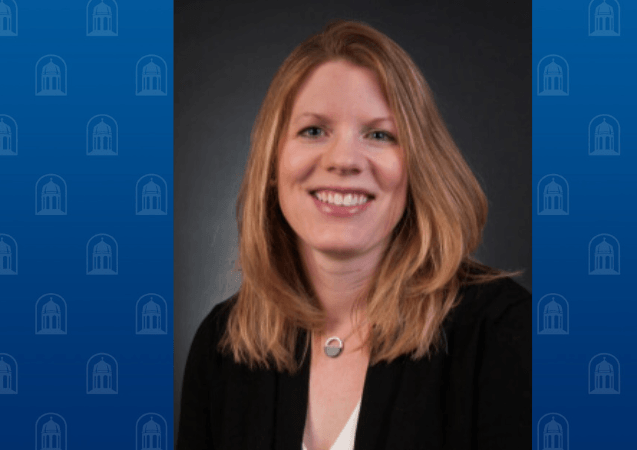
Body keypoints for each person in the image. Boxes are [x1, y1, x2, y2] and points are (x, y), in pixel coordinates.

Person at [177, 19, 531, 450]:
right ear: (273, 162)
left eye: (379, 134)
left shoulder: (505, 332)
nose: (344, 159)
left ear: (417, 167)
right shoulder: (221, 346)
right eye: (313, 131)